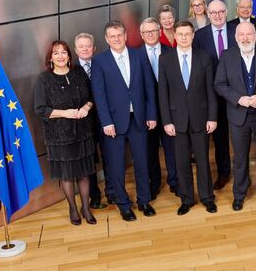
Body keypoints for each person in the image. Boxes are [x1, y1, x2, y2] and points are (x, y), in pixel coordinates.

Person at [91, 20, 158, 222]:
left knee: (142, 163)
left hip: (138, 119)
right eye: (112, 36)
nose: (117, 39)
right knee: (116, 167)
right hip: (114, 122)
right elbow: (99, 95)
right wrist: (106, 122)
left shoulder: (139, 55)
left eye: (120, 35)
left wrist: (151, 114)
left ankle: (144, 201)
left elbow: (149, 87)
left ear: (126, 35)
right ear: (106, 39)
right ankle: (123, 204)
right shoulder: (99, 61)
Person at [214, 21, 256, 210]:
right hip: (238, 115)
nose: (245, 38)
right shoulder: (227, 56)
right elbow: (219, 84)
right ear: (235, 37)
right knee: (240, 158)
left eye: (249, 34)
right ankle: (239, 194)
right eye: (241, 35)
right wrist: (238, 99)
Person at [158, 21, 218, 215]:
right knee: (181, 161)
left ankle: (207, 198)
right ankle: (186, 199)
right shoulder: (165, 59)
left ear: (193, 36)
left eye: (187, 34)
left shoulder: (204, 57)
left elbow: (210, 90)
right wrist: (167, 121)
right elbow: (162, 93)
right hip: (177, 120)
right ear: (175, 36)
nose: (184, 37)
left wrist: (212, 117)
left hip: (201, 117)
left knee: (203, 160)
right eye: (180, 34)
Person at [34, 40, 97, 226]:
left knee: (84, 173)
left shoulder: (79, 72)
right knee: (67, 174)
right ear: (50, 58)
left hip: (83, 131)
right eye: (56, 53)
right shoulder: (44, 79)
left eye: (63, 52)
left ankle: (86, 208)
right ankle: (73, 208)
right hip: (59, 136)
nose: (60, 56)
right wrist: (65, 113)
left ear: (69, 56)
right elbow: (40, 109)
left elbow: (92, 96)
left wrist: (86, 107)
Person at [194, 0, 236, 190]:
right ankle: (223, 173)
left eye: (220, 11)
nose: (217, 15)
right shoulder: (200, 36)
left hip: (236, 93)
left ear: (226, 12)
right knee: (219, 137)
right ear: (208, 14)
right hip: (211, 94)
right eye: (213, 12)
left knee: (239, 136)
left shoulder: (236, 31)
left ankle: (241, 174)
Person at [73, 32, 113, 209]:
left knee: (109, 156)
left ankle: (112, 192)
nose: (85, 49)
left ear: (94, 48)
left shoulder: (103, 64)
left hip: (105, 119)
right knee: (89, 160)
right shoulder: (72, 70)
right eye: (81, 46)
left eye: (88, 46)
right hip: (84, 123)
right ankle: (94, 196)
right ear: (76, 50)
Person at [139, 18, 178, 198]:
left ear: (160, 31)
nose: (150, 34)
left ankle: (175, 181)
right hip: (147, 113)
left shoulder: (172, 52)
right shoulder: (135, 56)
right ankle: (154, 183)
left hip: (170, 110)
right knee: (150, 150)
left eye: (154, 30)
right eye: (146, 32)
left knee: (173, 149)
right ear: (141, 35)